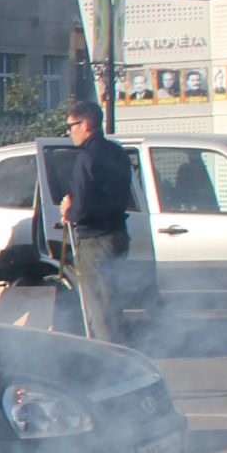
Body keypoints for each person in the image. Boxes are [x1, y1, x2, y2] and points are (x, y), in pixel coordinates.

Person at [58, 101, 134, 345]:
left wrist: (68, 210)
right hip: (118, 234)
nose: (69, 132)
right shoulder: (118, 152)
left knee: (99, 307)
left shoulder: (86, 158)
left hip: (95, 241)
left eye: (71, 126)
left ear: (86, 124)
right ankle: (121, 351)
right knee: (114, 302)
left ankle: (111, 361)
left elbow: (81, 208)